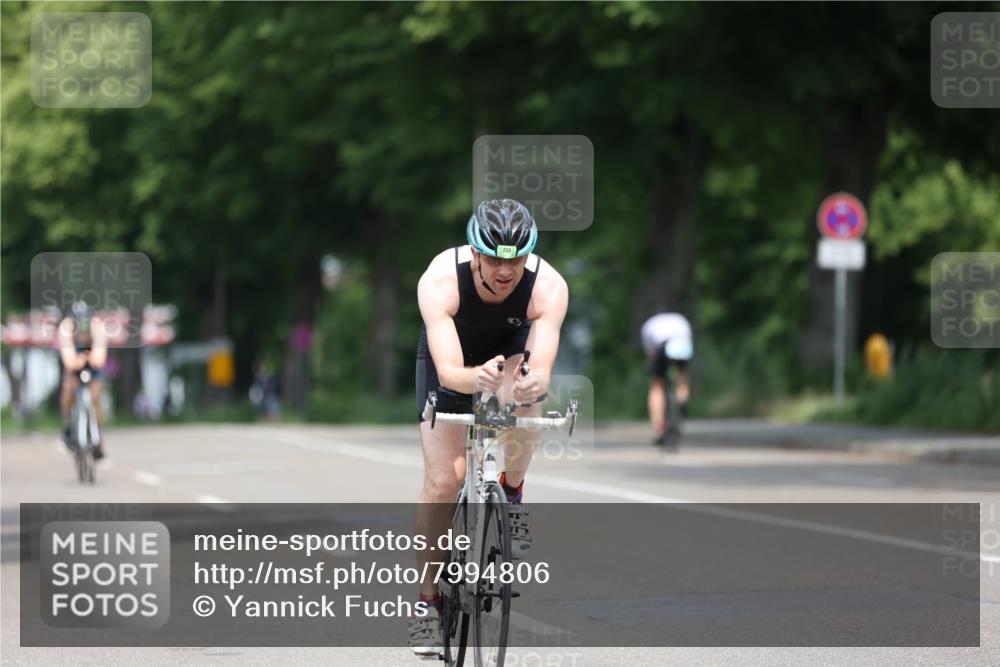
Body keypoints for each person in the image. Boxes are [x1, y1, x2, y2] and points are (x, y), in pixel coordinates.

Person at [408, 199, 569, 657]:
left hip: (512, 350)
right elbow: (449, 372)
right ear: (474, 252)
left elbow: (541, 366)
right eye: (495, 258)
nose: (505, 269)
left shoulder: (549, 287)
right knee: (444, 480)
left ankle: (511, 493)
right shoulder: (440, 280)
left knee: (528, 402)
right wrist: (474, 379)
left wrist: (531, 381)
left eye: (515, 258)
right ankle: (427, 604)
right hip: (454, 362)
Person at [58, 302, 108, 459]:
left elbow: (100, 357)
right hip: (74, 358)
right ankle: (67, 426)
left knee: (95, 397)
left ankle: (97, 435)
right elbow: (68, 359)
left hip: (92, 361)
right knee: (68, 390)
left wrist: (92, 358)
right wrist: (75, 362)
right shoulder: (66, 328)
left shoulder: (98, 327)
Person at [640, 312, 693, 447]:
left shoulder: (649, 325)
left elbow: (651, 353)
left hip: (663, 346)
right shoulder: (681, 319)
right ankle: (681, 399)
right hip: (682, 345)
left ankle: (659, 426)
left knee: (657, 385)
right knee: (681, 374)